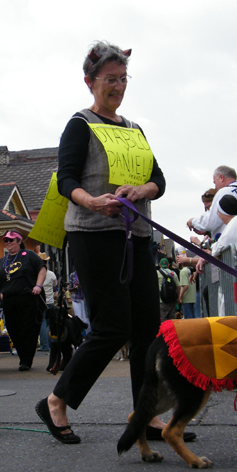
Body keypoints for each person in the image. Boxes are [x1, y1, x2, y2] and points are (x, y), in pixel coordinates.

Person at [36, 41, 191, 445]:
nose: (118, 86)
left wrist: (141, 190)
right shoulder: (80, 124)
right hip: (92, 234)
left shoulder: (134, 130)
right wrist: (92, 201)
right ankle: (56, 401)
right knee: (111, 327)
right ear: (90, 82)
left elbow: (160, 180)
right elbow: (67, 178)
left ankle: (146, 415)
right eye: (110, 79)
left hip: (136, 236)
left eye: (123, 79)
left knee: (147, 329)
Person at [0, 231, 46, 371]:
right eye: (6, 240)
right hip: (9, 300)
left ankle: (26, 360)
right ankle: (22, 355)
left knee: (28, 329)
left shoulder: (29, 255)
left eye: (11, 240)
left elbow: (42, 269)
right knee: (13, 330)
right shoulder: (2, 261)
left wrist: (38, 285)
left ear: (19, 241)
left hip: (28, 298)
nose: (8, 243)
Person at [186, 166, 237, 242]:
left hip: (230, 242)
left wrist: (193, 222)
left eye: (215, 182)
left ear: (221, 177)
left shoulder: (224, 192)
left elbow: (211, 220)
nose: (215, 187)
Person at [38, 253, 58, 352]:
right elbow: (54, 286)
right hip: (50, 301)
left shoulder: (36, 274)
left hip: (41, 301)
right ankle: (52, 343)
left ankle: (44, 345)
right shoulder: (51, 274)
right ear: (46, 262)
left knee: (42, 323)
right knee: (51, 323)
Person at [156, 257, 178, 322]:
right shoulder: (173, 273)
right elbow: (178, 287)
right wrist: (178, 298)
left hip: (161, 301)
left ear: (159, 265)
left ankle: (164, 332)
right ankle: (172, 332)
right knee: (172, 321)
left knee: (163, 320)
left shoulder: (157, 273)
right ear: (168, 265)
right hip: (172, 300)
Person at [176, 251, 197, 319]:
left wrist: (180, 296)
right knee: (193, 317)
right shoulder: (189, 270)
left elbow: (185, 286)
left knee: (188, 318)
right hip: (192, 297)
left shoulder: (182, 272)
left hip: (186, 299)